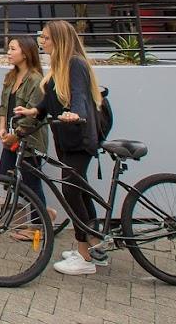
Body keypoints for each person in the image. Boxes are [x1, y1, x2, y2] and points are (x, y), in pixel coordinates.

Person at [15, 20, 106, 276]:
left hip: (79, 140)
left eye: (45, 37)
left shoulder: (75, 63)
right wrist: (34, 111)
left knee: (71, 191)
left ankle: (84, 256)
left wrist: (74, 113)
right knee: (80, 191)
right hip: (66, 140)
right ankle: (97, 246)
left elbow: (79, 95)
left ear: (59, 40)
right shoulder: (58, 66)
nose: (41, 41)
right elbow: (50, 101)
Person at [0, 35, 52, 235]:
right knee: (6, 176)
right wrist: (2, 128)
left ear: (26, 53)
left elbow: (32, 115)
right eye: (9, 49)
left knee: (31, 183)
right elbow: (3, 106)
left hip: (30, 139)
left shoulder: (36, 80)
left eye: (13, 49)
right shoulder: (10, 77)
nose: (8, 53)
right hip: (12, 137)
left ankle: (37, 227)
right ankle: (45, 213)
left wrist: (16, 135)